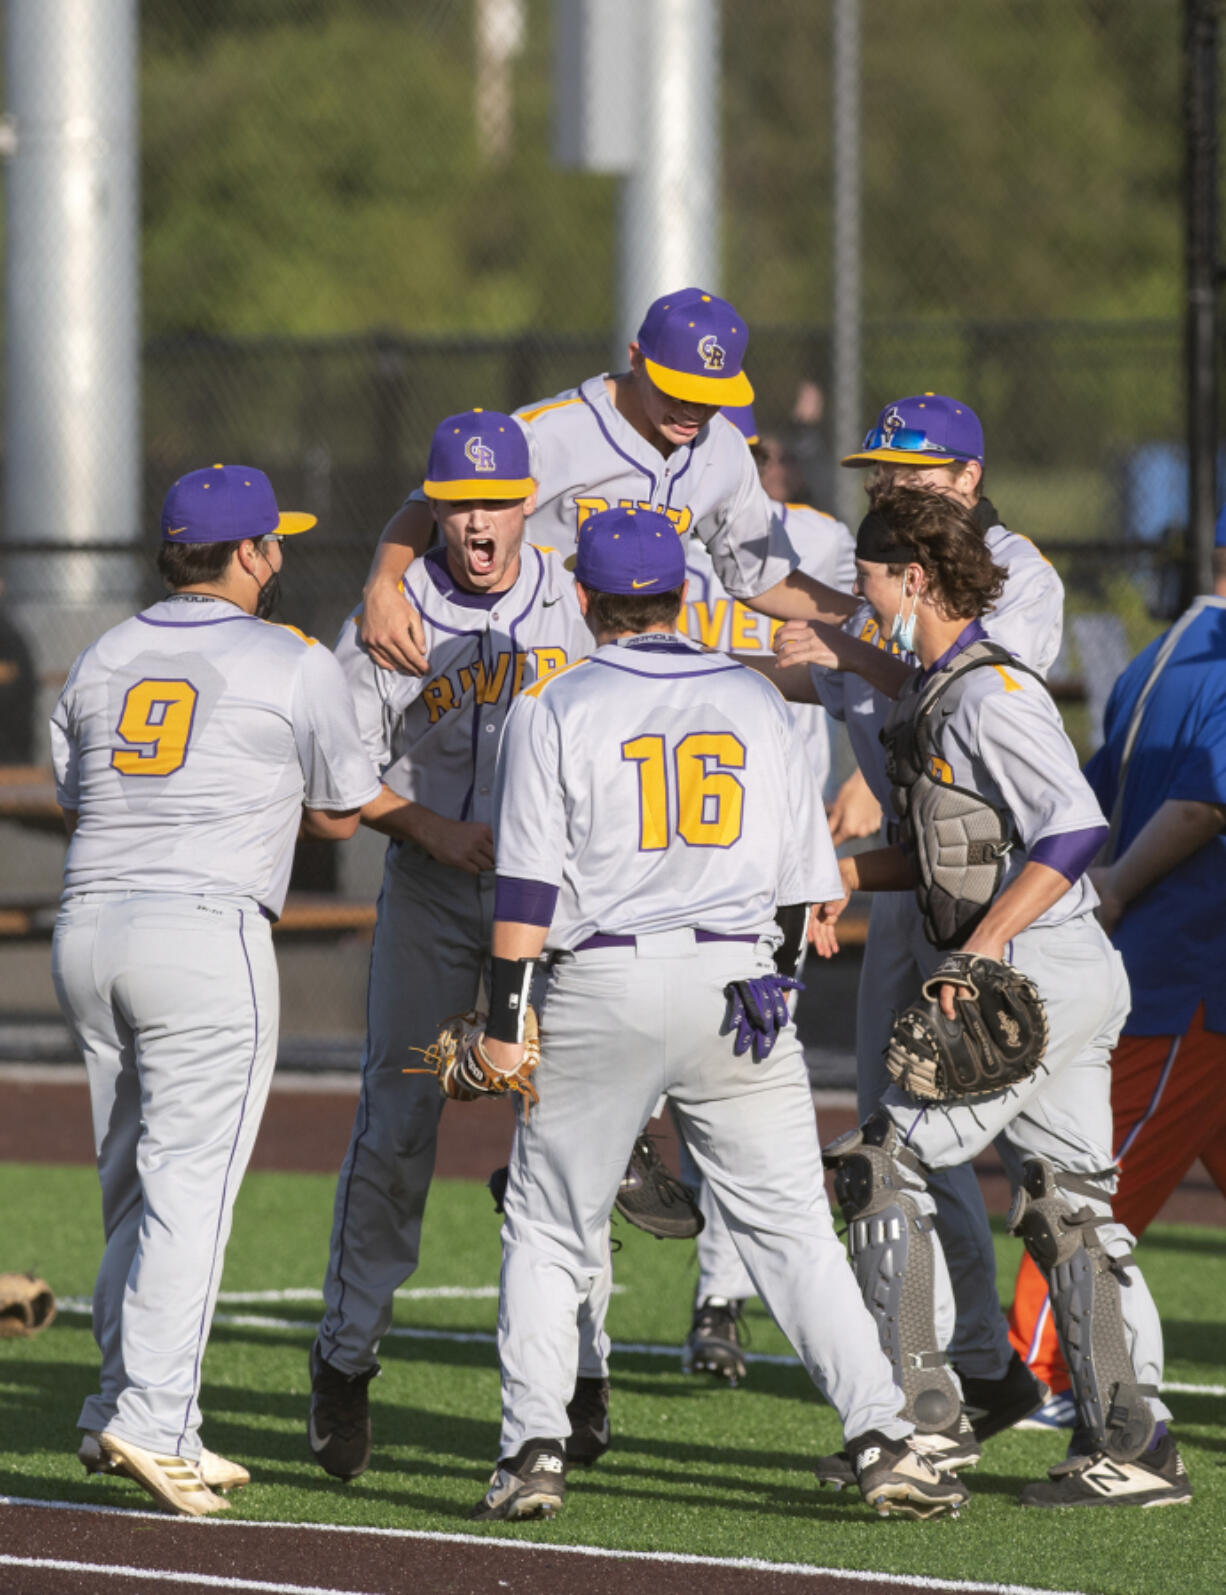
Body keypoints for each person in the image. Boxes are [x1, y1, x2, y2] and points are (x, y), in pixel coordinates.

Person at [465, 504, 967, 1523]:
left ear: (586, 598)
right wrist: (777, 982)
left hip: (601, 978)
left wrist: (503, 1016)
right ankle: (881, 1437)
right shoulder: (750, 696)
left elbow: (525, 892)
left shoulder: (556, 704)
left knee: (548, 1223)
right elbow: (799, 882)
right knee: (791, 1232)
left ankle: (532, 1450)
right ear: (683, 597)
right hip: (738, 982)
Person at [817, 484, 1188, 1509]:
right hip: (1046, 965)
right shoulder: (939, 687)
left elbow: (1073, 831)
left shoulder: (989, 690)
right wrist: (842, 874)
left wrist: (975, 951)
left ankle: (918, 1425)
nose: (862, 597)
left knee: (879, 1165)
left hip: (1037, 966)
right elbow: (949, 849)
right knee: (1067, 1207)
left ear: (914, 579)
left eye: (870, 579)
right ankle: (1136, 1442)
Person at [51, 465, 379, 1516]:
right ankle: (152, 1417)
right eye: (272, 541)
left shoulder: (106, 650)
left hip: (92, 923)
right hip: (204, 932)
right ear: (246, 554)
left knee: (132, 1179)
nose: (278, 554)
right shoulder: (283, 655)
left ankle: (128, 1403)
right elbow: (340, 810)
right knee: (192, 1187)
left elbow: (77, 789)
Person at [307, 409, 600, 1481]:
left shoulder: (576, 593)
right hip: (433, 892)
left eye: (496, 498)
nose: (478, 520)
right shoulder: (388, 614)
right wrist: (427, 825)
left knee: (572, 1135)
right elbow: (335, 786)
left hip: (553, 902)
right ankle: (346, 1357)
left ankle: (584, 1369)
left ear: (532, 500)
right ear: (431, 506)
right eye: (457, 500)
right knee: (397, 1124)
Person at [773, 394, 1064, 1460]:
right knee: (896, 1137)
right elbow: (805, 640)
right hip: (909, 886)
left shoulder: (1009, 574)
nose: (894, 482)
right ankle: (960, 1368)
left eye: (919, 468)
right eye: (881, 468)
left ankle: (1115, 1415)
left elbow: (965, 689)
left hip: (997, 892)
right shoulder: (879, 578)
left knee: (1042, 1161)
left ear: (970, 478)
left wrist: (847, 650)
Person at [356, 287, 866, 680]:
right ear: (638, 359)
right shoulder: (551, 431)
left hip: (624, 672)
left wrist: (866, 618)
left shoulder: (725, 448)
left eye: (710, 394)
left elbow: (761, 578)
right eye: (679, 389)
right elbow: (431, 502)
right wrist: (383, 585)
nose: (693, 410)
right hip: (517, 659)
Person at [1006, 524, 1226, 1420]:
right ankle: (1037, 1367)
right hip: (1188, 967)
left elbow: (1092, 787)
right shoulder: (1212, 658)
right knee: (1097, 1180)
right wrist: (1122, 890)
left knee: (1094, 1175)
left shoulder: (1155, 656)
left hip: (1188, 969)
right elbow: (1203, 803)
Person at [675, 400, 856, 1381]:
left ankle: (718, 1294)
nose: (743, 466)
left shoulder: (818, 542)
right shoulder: (651, 539)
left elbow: (886, 642)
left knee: (749, 1064)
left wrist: (866, 762)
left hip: (768, 853)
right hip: (659, 850)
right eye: (724, 451)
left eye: (756, 450)